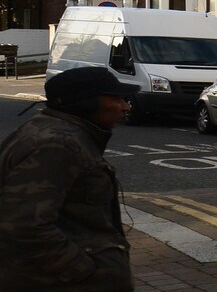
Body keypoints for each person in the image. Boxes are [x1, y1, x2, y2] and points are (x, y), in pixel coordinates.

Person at [0, 65, 138, 291]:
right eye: (117, 98)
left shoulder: (53, 130)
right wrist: (85, 272)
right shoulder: (59, 144)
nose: (125, 106)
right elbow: (24, 223)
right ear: (85, 102)